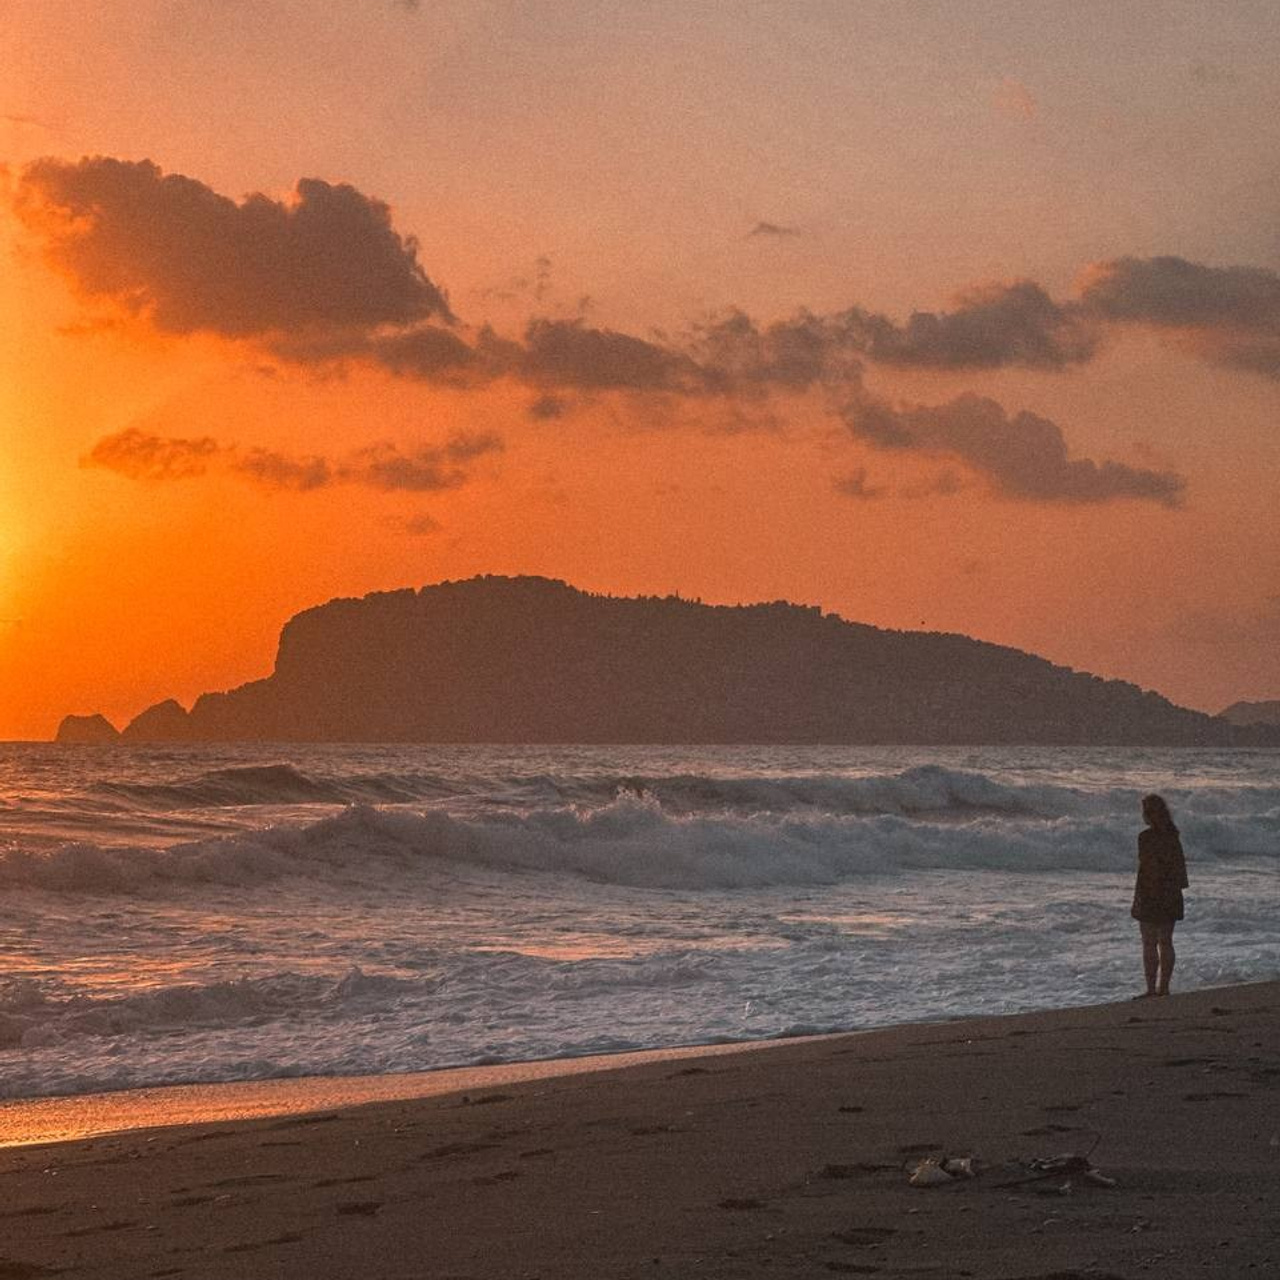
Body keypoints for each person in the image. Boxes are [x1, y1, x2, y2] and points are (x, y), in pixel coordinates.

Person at [1131, 793, 1188, 997]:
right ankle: (1164, 988)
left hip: (1150, 893)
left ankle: (1150, 989)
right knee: (1166, 941)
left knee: (1149, 942)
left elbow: (1146, 866)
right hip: (1171, 893)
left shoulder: (1145, 837)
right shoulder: (1173, 836)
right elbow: (1181, 870)